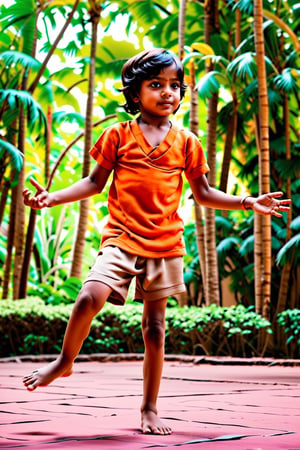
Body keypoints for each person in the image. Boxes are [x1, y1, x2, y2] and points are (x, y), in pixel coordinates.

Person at [22, 48, 290, 435]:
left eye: (174, 86)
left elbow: (204, 193)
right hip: (121, 237)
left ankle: (149, 407)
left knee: (155, 330)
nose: (168, 93)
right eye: (156, 85)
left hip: (165, 243)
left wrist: (248, 201)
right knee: (87, 298)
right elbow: (94, 184)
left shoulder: (187, 141)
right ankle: (64, 361)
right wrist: (53, 196)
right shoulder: (117, 134)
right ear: (135, 94)